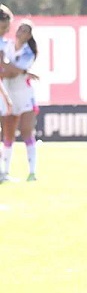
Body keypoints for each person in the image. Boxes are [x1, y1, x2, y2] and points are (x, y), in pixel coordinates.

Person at [0, 14, 40, 182]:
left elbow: (11, 71)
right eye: (20, 28)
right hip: (8, 92)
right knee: (8, 133)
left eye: (25, 30)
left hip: (24, 94)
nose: (20, 31)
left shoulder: (28, 52)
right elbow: (8, 73)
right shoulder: (6, 45)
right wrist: (15, 70)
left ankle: (32, 172)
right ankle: (5, 172)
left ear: (29, 35)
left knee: (26, 131)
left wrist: (8, 67)